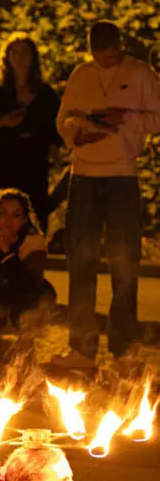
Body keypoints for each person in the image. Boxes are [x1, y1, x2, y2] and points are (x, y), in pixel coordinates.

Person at [50, 20, 160, 372]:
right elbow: (63, 119)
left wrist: (125, 118)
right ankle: (82, 349)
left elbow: (157, 119)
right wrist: (74, 135)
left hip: (121, 178)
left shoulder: (140, 73)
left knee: (124, 264)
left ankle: (123, 349)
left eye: (109, 51)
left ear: (119, 45)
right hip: (83, 175)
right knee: (80, 263)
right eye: (97, 51)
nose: (104, 57)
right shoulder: (82, 74)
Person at [0, 33, 60, 231]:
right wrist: (2, 123)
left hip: (33, 166)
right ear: (7, 57)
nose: (20, 57)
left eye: (25, 52)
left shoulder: (46, 95)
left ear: (33, 57)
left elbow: (57, 131)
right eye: (15, 52)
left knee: (31, 224)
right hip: (0, 165)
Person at [0, 188, 56, 356]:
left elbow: (28, 285)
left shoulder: (33, 241)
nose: (8, 220)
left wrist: (8, 255)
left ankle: (25, 348)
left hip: (23, 298)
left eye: (16, 215)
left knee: (40, 301)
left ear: (24, 219)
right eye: (3, 213)